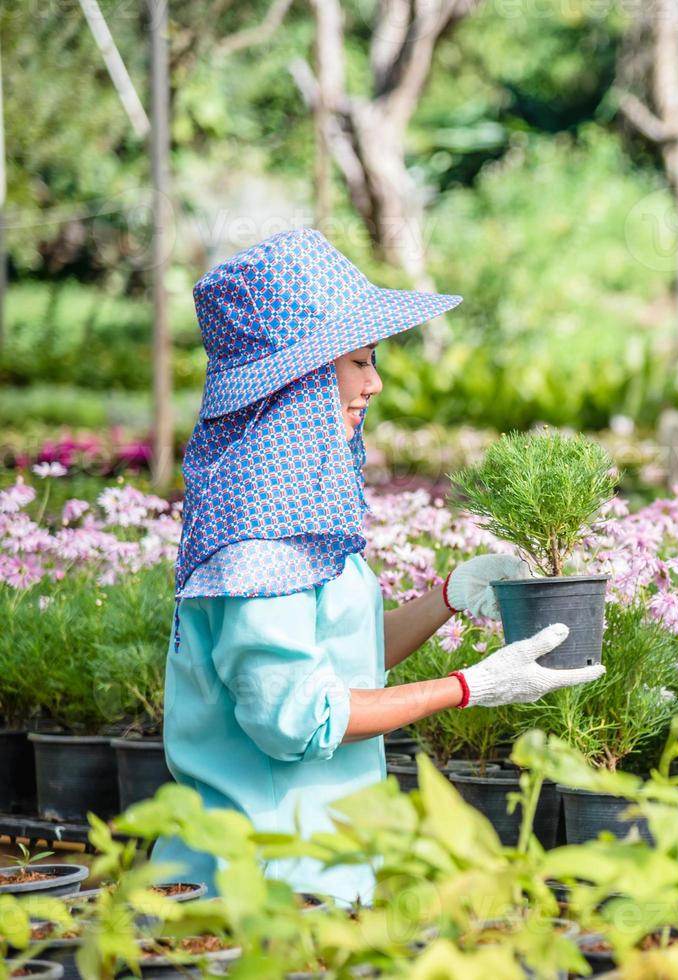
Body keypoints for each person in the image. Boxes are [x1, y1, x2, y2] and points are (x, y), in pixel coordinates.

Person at [149, 229, 604, 904]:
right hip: (265, 886)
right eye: (358, 362)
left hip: (318, 866)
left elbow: (333, 661)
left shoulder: (284, 519)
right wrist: (469, 687)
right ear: (296, 381)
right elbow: (299, 718)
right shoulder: (259, 548)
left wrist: (444, 597)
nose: (375, 382)